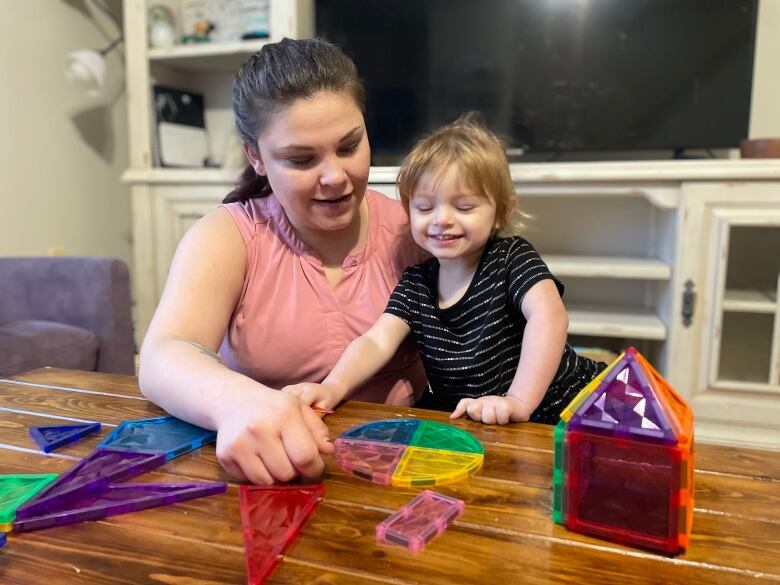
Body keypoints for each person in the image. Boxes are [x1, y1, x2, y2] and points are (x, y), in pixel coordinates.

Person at [138, 38, 427, 485]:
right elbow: (162, 356)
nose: (334, 177)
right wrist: (237, 402)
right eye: (301, 159)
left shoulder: (415, 233)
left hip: (406, 470)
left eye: (350, 146)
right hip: (275, 475)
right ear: (255, 156)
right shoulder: (229, 236)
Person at [284, 116, 605, 425]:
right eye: (425, 208)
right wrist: (332, 387)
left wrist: (518, 400)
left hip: (562, 405)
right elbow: (376, 342)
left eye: (463, 207)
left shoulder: (511, 257)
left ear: (498, 213)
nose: (441, 219)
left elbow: (549, 316)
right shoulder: (416, 283)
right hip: (480, 420)